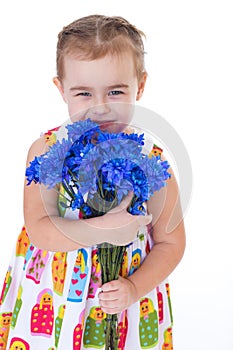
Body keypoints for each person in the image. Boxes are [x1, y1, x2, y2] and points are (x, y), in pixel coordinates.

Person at [0, 15, 185, 349]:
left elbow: (171, 244)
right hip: (53, 300)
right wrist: (102, 229)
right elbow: (39, 227)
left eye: (115, 91)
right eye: (83, 93)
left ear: (139, 86)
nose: (100, 108)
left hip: (122, 306)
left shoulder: (152, 159)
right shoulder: (48, 149)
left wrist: (134, 288)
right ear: (61, 89)